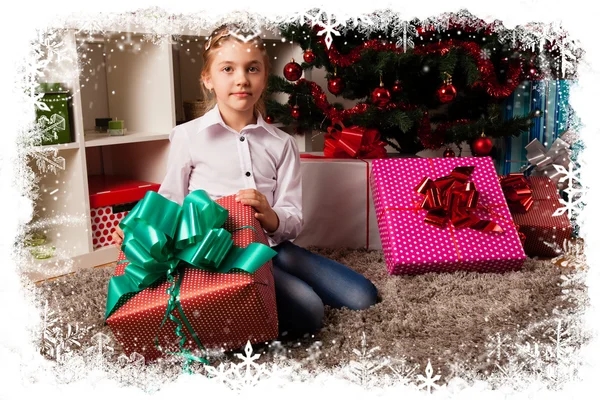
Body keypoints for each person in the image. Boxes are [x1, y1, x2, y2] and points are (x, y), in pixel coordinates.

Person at [112, 24, 378, 339]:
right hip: (224, 254)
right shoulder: (188, 136)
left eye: (252, 69)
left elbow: (293, 216)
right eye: (228, 69)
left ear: (264, 78)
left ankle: (272, 286)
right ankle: (255, 300)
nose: (241, 79)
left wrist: (270, 215)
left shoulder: (281, 143)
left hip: (276, 246)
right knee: (310, 311)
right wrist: (140, 229)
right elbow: (172, 198)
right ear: (208, 79)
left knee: (363, 296)